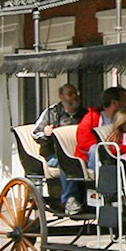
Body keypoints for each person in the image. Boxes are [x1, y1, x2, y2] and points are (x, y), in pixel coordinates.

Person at [32, 83, 85, 215]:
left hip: (79, 153)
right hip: (53, 156)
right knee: (67, 162)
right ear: (61, 96)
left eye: (76, 93)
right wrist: (45, 132)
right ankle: (69, 199)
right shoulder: (52, 113)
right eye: (70, 94)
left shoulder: (84, 114)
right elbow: (35, 133)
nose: (75, 97)